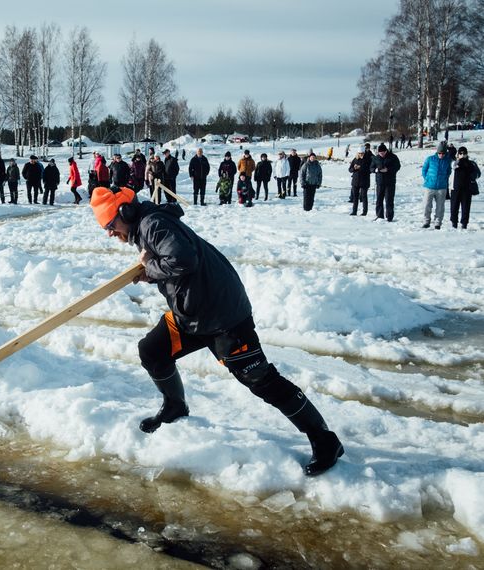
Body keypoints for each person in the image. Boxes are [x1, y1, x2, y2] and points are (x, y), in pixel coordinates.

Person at [88, 186, 344, 476]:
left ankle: (325, 440)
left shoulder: (153, 224)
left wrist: (151, 268)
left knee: (261, 380)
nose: (110, 233)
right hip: (192, 315)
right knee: (152, 350)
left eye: (110, 225)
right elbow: (174, 264)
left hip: (223, 318)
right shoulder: (147, 227)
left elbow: (183, 259)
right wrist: (152, 272)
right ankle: (175, 406)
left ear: (126, 212)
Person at [421, 141, 452, 229]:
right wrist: (427, 178)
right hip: (429, 186)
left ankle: (438, 223)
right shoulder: (430, 159)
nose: (441, 155)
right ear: (437, 152)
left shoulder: (447, 160)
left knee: (440, 207)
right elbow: (424, 170)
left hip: (441, 187)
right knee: (426, 205)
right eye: (440, 153)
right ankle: (426, 221)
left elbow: (449, 172)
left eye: (443, 153)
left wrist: (444, 179)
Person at [450, 146, 479, 229]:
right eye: (460, 153)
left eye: (464, 153)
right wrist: (458, 160)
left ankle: (464, 224)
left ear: (467, 154)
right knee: (454, 207)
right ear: (458, 154)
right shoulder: (455, 163)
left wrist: (473, 176)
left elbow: (478, 174)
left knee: (466, 207)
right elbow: (452, 165)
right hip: (455, 188)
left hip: (467, 189)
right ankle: (454, 223)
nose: (462, 155)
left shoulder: (471, 163)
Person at [370, 143, 401, 221]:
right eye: (380, 153)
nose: (382, 154)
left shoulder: (393, 157)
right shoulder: (376, 158)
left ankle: (389, 217)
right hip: (379, 182)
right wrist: (376, 170)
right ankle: (379, 216)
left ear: (386, 151)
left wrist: (388, 169)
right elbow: (371, 168)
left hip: (390, 182)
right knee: (379, 200)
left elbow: (397, 166)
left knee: (389, 200)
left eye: (383, 152)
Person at [348, 146, 370, 216]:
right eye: (360, 153)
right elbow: (350, 169)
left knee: (364, 197)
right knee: (355, 197)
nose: (361, 154)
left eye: (362, 153)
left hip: (364, 181)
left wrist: (360, 168)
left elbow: (369, 170)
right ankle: (354, 211)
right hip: (355, 181)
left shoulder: (367, 159)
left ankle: (364, 212)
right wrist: (354, 168)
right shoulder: (355, 159)